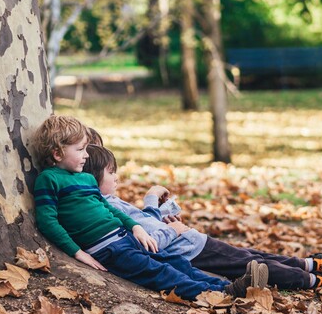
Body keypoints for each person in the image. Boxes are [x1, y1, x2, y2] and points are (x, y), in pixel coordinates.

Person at [83, 143, 322, 293]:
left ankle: (319, 264)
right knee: (255, 266)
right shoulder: (103, 205)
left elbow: (147, 226)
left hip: (191, 242)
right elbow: (148, 236)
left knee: (254, 255)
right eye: (112, 173)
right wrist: (157, 208)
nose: (117, 178)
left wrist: (164, 216)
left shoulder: (107, 200)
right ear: (94, 178)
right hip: (189, 249)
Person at [31, 115, 269, 301]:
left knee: (176, 263)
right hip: (108, 249)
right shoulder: (50, 179)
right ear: (57, 152)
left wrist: (136, 228)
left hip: (126, 237)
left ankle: (228, 287)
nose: (86, 155)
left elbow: (111, 210)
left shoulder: (85, 179)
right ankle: (218, 296)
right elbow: (48, 222)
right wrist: (77, 252)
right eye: (80, 149)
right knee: (160, 273)